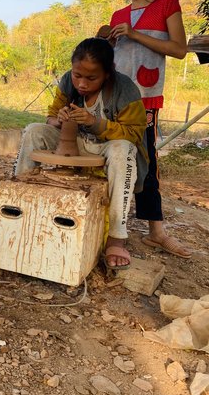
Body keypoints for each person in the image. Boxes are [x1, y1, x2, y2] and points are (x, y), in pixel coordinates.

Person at [15, 38, 148, 269]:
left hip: (109, 147)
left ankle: (117, 236)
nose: (82, 83)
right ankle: (18, 204)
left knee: (123, 150)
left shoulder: (124, 90)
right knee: (33, 131)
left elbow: (134, 135)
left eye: (91, 78)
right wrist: (59, 120)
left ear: (108, 73)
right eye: (78, 75)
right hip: (74, 142)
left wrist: (95, 122)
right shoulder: (68, 81)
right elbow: (51, 115)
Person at [109, 0, 192, 259]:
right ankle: (110, 224)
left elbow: (179, 49)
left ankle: (156, 232)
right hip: (115, 98)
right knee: (111, 156)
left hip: (145, 100)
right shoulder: (117, 16)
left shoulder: (167, 5)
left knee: (146, 162)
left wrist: (135, 34)